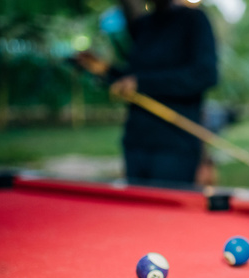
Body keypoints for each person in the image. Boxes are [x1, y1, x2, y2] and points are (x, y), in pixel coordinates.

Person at [77, 0, 218, 186]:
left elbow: (205, 75)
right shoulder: (144, 24)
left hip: (174, 145)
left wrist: (141, 83)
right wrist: (104, 70)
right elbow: (134, 77)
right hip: (137, 142)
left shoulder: (193, 19)